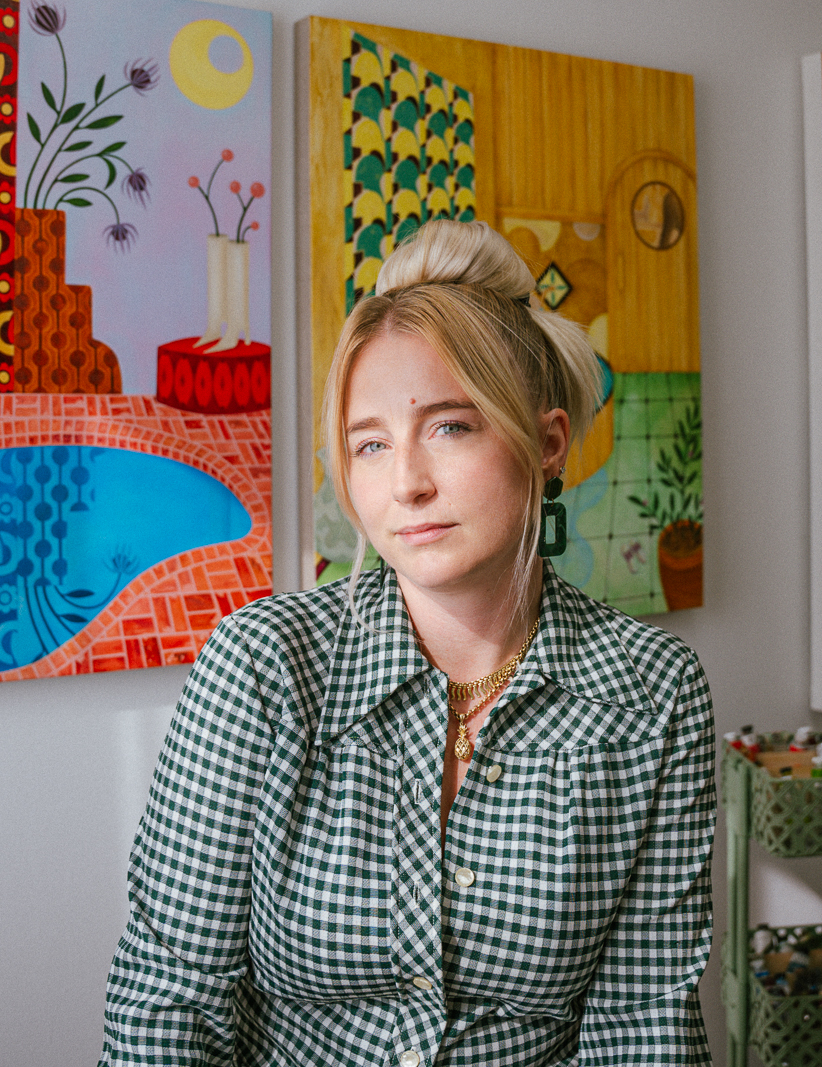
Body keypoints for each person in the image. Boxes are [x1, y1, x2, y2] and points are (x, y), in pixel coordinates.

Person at [99, 220, 716, 1066]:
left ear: (546, 442)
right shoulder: (263, 667)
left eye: (451, 427)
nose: (406, 482)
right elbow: (167, 1002)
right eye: (372, 443)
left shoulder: (652, 692)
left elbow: (644, 1022)